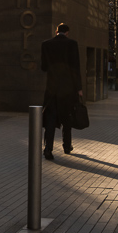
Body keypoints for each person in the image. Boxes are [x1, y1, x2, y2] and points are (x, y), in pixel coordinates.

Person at [41, 23, 82, 160]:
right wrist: (79, 88)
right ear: (67, 32)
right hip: (68, 88)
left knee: (50, 120)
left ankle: (48, 149)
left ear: (56, 31)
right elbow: (76, 68)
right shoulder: (72, 44)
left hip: (52, 88)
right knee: (67, 118)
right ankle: (67, 146)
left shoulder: (46, 44)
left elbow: (43, 67)